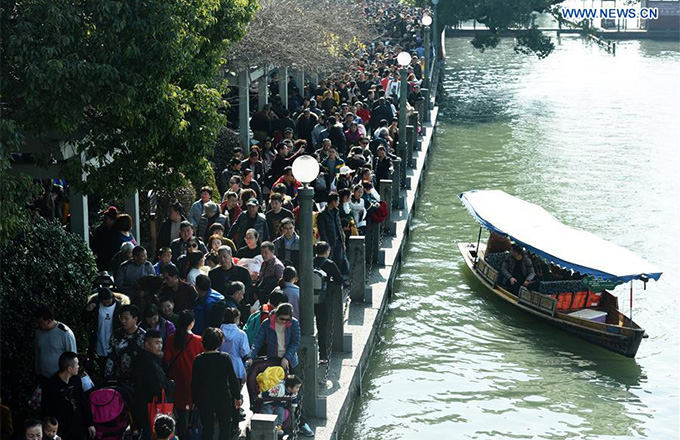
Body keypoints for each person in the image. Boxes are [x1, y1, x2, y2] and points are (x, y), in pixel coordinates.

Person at [192, 328, 242, 440]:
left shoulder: (198, 360)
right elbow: (232, 379)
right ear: (220, 342)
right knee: (225, 427)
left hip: (205, 398)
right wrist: (237, 396)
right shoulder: (225, 357)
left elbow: (195, 383)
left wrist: (194, 400)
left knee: (207, 429)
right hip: (223, 397)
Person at [162, 311, 204, 437]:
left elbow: (167, 359)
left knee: (179, 412)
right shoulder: (198, 340)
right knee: (192, 412)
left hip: (176, 380)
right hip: (192, 381)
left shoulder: (171, 339)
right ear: (192, 323)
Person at [41, 352, 95, 440]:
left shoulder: (77, 380)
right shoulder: (50, 385)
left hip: (78, 428)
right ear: (70, 369)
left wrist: (90, 424)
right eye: (77, 364)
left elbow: (84, 402)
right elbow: (46, 411)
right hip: (61, 431)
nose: (78, 366)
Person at [132, 330, 174, 440]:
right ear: (147, 344)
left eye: (161, 343)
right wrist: (171, 385)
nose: (160, 346)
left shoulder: (143, 359)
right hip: (151, 409)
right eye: (156, 343)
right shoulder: (149, 363)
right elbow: (158, 388)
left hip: (142, 408)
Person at [247, 303, 300, 372]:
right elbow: (258, 341)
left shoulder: (294, 323)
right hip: (273, 360)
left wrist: (286, 357)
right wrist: (251, 357)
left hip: (290, 361)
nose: (284, 321)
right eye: (282, 319)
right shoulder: (267, 323)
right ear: (276, 315)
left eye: (287, 320)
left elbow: (295, 342)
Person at [81, 287, 122, 376]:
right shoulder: (95, 305)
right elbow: (85, 319)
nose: (106, 304)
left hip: (113, 339)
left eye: (108, 302)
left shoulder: (119, 307)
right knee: (101, 363)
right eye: (104, 302)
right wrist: (88, 311)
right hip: (99, 338)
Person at [313, 242, 342, 362]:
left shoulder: (310, 261)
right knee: (322, 327)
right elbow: (339, 279)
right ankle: (323, 355)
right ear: (327, 252)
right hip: (323, 299)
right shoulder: (329, 264)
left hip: (308, 299)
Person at [34, 306, 77, 382]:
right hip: (43, 377)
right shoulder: (38, 333)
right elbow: (37, 353)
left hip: (60, 378)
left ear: (49, 321)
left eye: (40, 322)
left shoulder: (65, 333)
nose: (38, 325)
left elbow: (72, 358)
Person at [105, 305, 146, 382]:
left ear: (135, 319)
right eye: (121, 318)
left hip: (138, 379)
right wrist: (108, 376)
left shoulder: (143, 336)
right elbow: (111, 356)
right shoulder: (117, 334)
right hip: (119, 378)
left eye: (126, 318)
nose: (123, 321)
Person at [317, 192, 347, 274]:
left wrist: (343, 241)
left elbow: (339, 226)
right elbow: (322, 231)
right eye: (337, 201)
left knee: (339, 260)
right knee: (328, 261)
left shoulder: (336, 211)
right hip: (329, 241)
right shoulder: (322, 214)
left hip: (338, 240)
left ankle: (338, 277)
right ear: (333, 202)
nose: (338, 203)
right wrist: (327, 244)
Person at [218, 308, 250, 383]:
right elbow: (244, 352)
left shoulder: (218, 332)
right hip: (237, 368)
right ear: (236, 319)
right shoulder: (241, 334)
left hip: (220, 367)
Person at [91, 206, 118, 271]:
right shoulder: (100, 229)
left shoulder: (117, 230)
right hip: (102, 256)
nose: (104, 221)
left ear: (112, 220)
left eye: (106, 219)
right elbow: (95, 243)